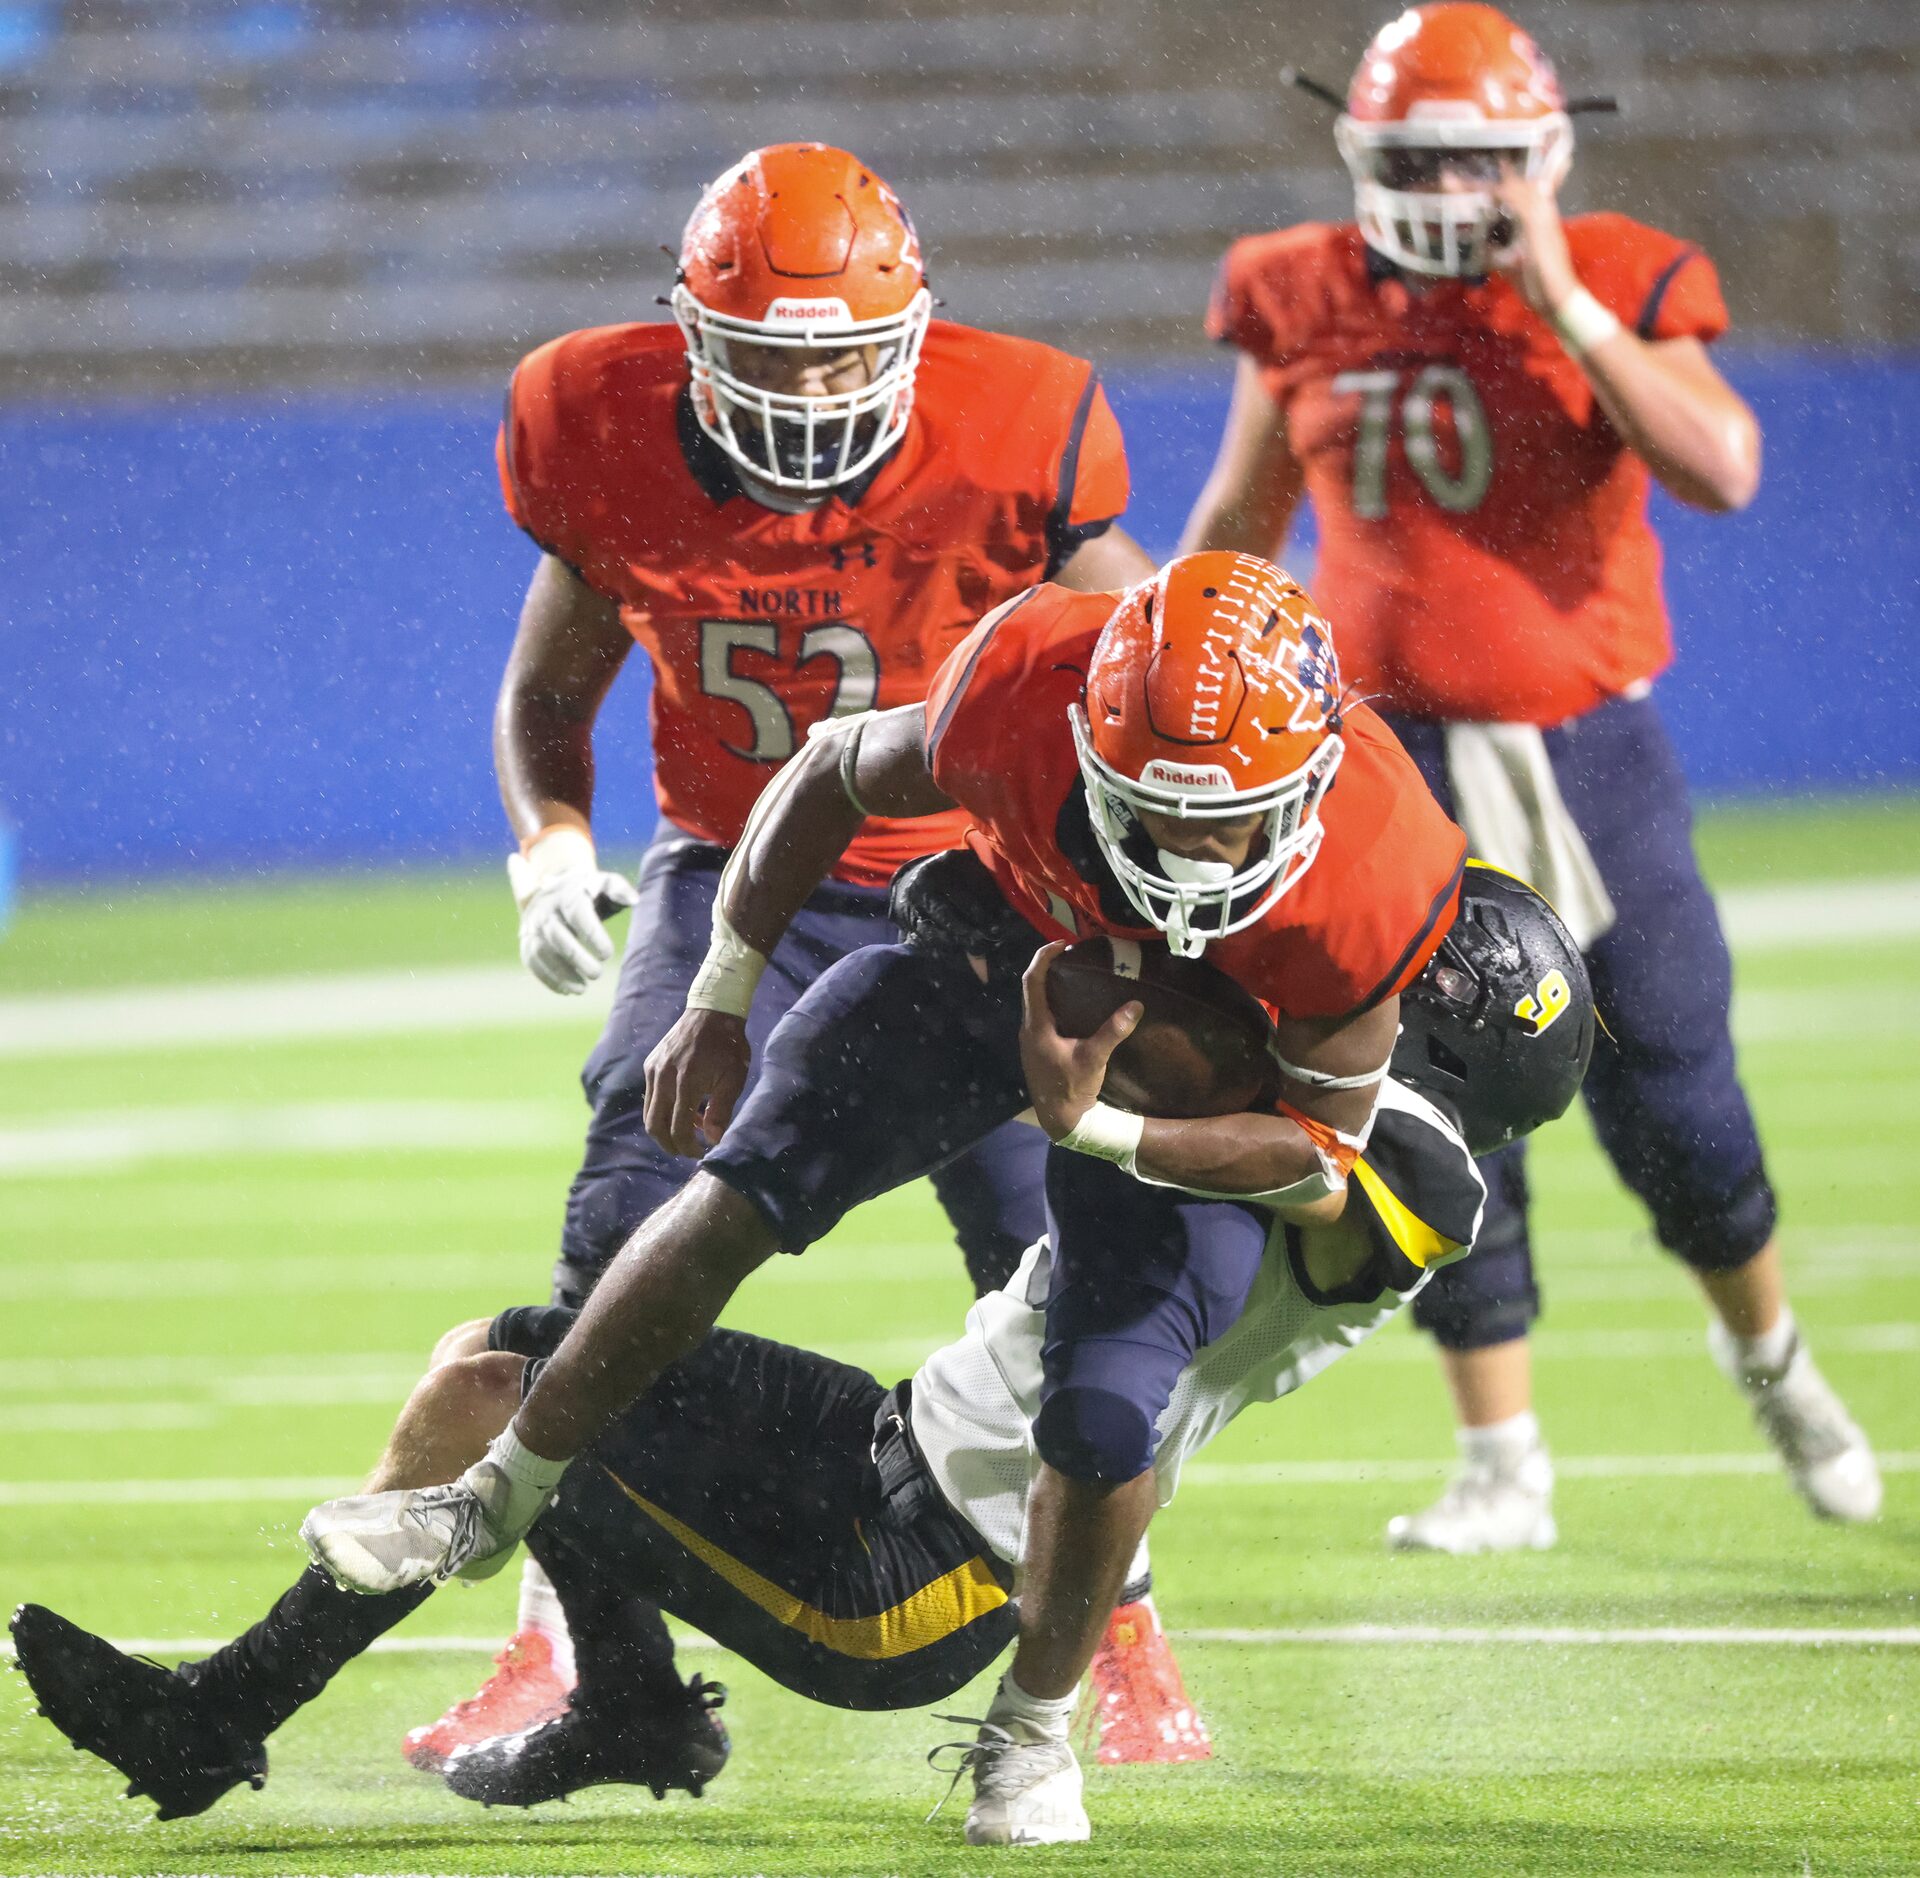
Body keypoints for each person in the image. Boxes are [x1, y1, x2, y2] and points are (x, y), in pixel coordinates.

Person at [12, 865, 1594, 1843]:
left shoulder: (1417, 1175)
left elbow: (1285, 1157)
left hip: (925, 1569)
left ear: (1445, 1015)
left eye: (1404, 957)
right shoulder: (1340, 1093)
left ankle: (217, 1720)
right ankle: (628, 1705)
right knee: (527, 1358)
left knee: (510, 1404)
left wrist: (1082, 1026)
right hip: (896, 1440)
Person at [283, 549, 1472, 1842]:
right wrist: (722, 992)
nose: (1189, 848)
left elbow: (1315, 1149)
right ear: (1089, 736)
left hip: (1178, 1088)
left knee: (1106, 1395)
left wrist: (1100, 1122)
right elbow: (835, 767)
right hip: (1004, 961)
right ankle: (496, 1492)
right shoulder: (1023, 680)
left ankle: (1028, 1738)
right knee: (739, 1183)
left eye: (1225, 817)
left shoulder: (1383, 862)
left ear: (1311, 777)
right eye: (1154, 806)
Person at [437, 137, 1204, 1768]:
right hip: (739, 889)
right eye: (772, 354)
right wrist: (551, 846)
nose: (810, 389)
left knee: (1066, 1282)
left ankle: (1117, 1631)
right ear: (694, 338)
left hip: (979, 887)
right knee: (617, 1249)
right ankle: (582, 1652)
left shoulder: (1017, 427)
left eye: (845, 348)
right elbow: (546, 693)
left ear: (916, 329)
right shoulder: (594, 417)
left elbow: (1148, 667)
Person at [1183, 1, 1879, 1553]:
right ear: (1364, 153)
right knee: (1430, 1101)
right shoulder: (1295, 289)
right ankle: (1503, 1457)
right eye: (1418, 158)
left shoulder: (1621, 268)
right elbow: (1239, 515)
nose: (1446, 189)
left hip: (1587, 748)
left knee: (1678, 1082)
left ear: (1544, 157)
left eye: (1480, 159)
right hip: (1385, 762)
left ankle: (1769, 1359)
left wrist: (1565, 301)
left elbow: (1724, 465)